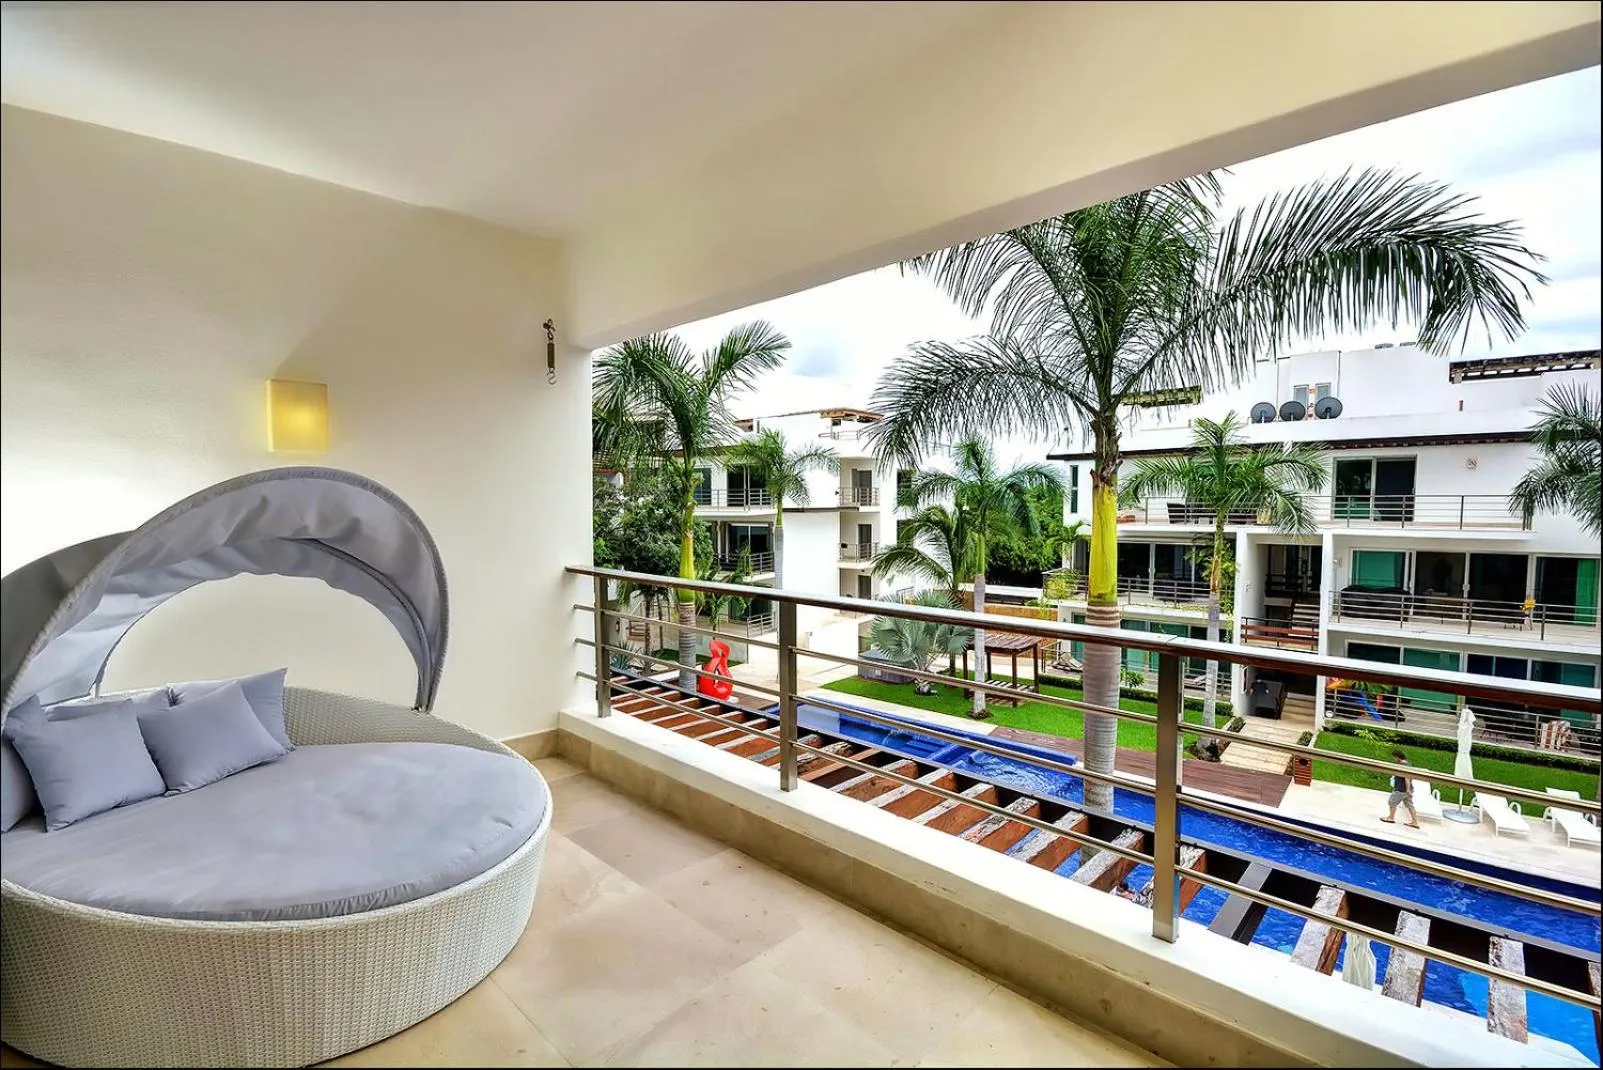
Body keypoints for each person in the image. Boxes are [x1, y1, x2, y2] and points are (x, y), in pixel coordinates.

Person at [1381, 749, 1420, 828]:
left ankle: (1391, 818)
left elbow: (1407, 778)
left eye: (1394, 757)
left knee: (1392, 802)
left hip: (1401, 789)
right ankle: (1415, 822)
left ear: (1398, 757)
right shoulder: (1409, 764)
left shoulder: (1403, 766)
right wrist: (1409, 790)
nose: (1394, 759)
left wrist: (1407, 789)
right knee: (1410, 805)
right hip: (1407, 790)